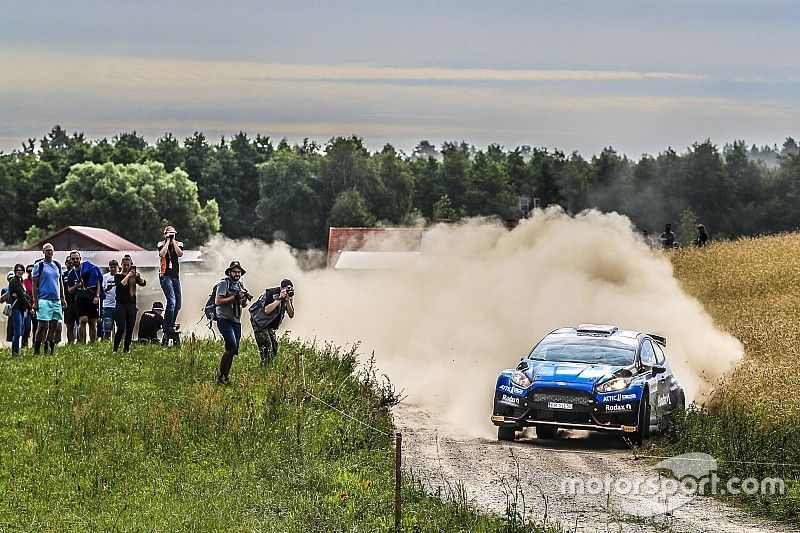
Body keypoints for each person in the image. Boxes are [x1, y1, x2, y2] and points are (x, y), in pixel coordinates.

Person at [215, 261, 250, 384]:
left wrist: (243, 298)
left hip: (236, 320)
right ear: (229, 272)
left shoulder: (240, 285)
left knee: (233, 350)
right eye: (235, 272)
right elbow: (218, 301)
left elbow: (244, 305)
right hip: (224, 318)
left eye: (239, 272)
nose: (237, 274)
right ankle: (221, 375)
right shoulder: (223, 284)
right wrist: (235, 296)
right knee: (231, 346)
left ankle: (225, 376)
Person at [31, 243, 66, 355]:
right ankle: (37, 349)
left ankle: (49, 348)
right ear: (43, 252)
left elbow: (60, 282)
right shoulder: (39, 265)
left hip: (56, 299)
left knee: (53, 325)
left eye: (51, 250)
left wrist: (63, 298)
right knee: (42, 325)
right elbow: (34, 285)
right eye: (47, 250)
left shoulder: (57, 265)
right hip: (43, 299)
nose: (49, 252)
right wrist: (35, 301)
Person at [251, 278, 295, 365]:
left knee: (274, 347)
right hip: (259, 322)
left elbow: (291, 314)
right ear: (281, 288)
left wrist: (287, 301)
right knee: (266, 348)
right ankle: (265, 367)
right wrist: (279, 298)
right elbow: (267, 310)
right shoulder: (271, 293)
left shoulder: (289, 297)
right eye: (286, 289)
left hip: (270, 324)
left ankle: (269, 366)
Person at [66, 251, 103, 343]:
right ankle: (82, 343)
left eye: (77, 258)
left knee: (92, 322)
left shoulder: (88, 268)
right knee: (82, 320)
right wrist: (77, 286)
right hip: (80, 299)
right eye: (73, 259)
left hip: (91, 297)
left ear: (80, 259)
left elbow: (97, 282)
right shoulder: (71, 274)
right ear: (70, 260)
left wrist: (97, 296)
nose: (75, 260)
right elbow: (69, 290)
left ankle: (93, 343)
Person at [113, 255, 146, 353]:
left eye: (128, 265)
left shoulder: (133, 277)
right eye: (125, 265)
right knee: (121, 328)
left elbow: (143, 283)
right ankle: (115, 349)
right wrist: (128, 275)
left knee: (130, 328)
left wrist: (138, 277)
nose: (127, 267)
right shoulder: (118, 276)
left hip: (131, 304)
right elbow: (121, 284)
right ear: (121, 265)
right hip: (121, 304)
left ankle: (126, 349)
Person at [158, 225, 183, 344]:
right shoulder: (161, 244)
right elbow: (162, 254)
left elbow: (180, 253)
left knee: (178, 303)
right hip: (165, 275)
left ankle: (171, 323)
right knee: (171, 301)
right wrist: (168, 241)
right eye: (169, 234)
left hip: (175, 276)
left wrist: (173, 242)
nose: (171, 236)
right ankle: (167, 325)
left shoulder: (179, 243)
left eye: (173, 234)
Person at [5, 264, 30, 356]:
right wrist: (30, 308)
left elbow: (23, 295)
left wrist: (23, 295)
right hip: (16, 309)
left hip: (21, 308)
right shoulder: (14, 281)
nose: (19, 272)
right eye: (18, 270)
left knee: (21, 330)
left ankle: (17, 351)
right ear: (15, 271)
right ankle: (15, 353)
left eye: (21, 270)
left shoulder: (21, 281)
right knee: (17, 332)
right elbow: (22, 296)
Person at [101, 259, 119, 341]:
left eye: (115, 267)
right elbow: (100, 290)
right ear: (109, 268)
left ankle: (117, 343)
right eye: (111, 267)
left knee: (120, 328)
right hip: (107, 305)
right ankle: (106, 343)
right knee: (107, 328)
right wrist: (106, 289)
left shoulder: (120, 276)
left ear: (118, 268)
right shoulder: (105, 277)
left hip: (118, 305)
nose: (113, 269)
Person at [62, 255, 77, 344]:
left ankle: (80, 343)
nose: (70, 264)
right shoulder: (63, 275)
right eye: (68, 262)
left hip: (78, 302)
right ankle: (70, 343)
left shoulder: (78, 273)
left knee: (80, 324)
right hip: (67, 303)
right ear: (65, 263)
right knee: (69, 326)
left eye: (71, 262)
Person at [21, 264, 35, 348]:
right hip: (27, 307)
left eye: (32, 271)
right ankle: (24, 345)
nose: (30, 272)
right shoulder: (24, 282)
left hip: (36, 306)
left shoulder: (38, 281)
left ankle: (35, 345)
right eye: (29, 271)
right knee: (27, 327)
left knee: (36, 327)